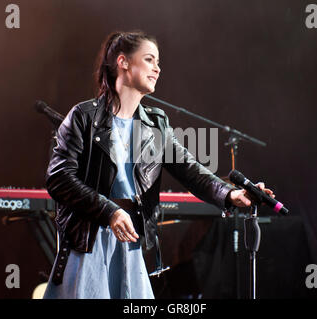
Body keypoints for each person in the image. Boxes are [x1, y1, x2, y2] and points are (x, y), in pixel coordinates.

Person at [42, 30, 274, 299]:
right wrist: (110, 212)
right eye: (150, 60)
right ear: (123, 62)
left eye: (158, 62)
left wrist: (231, 194)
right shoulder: (84, 116)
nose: (157, 68)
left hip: (129, 244)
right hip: (90, 243)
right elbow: (59, 178)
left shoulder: (155, 124)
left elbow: (190, 171)